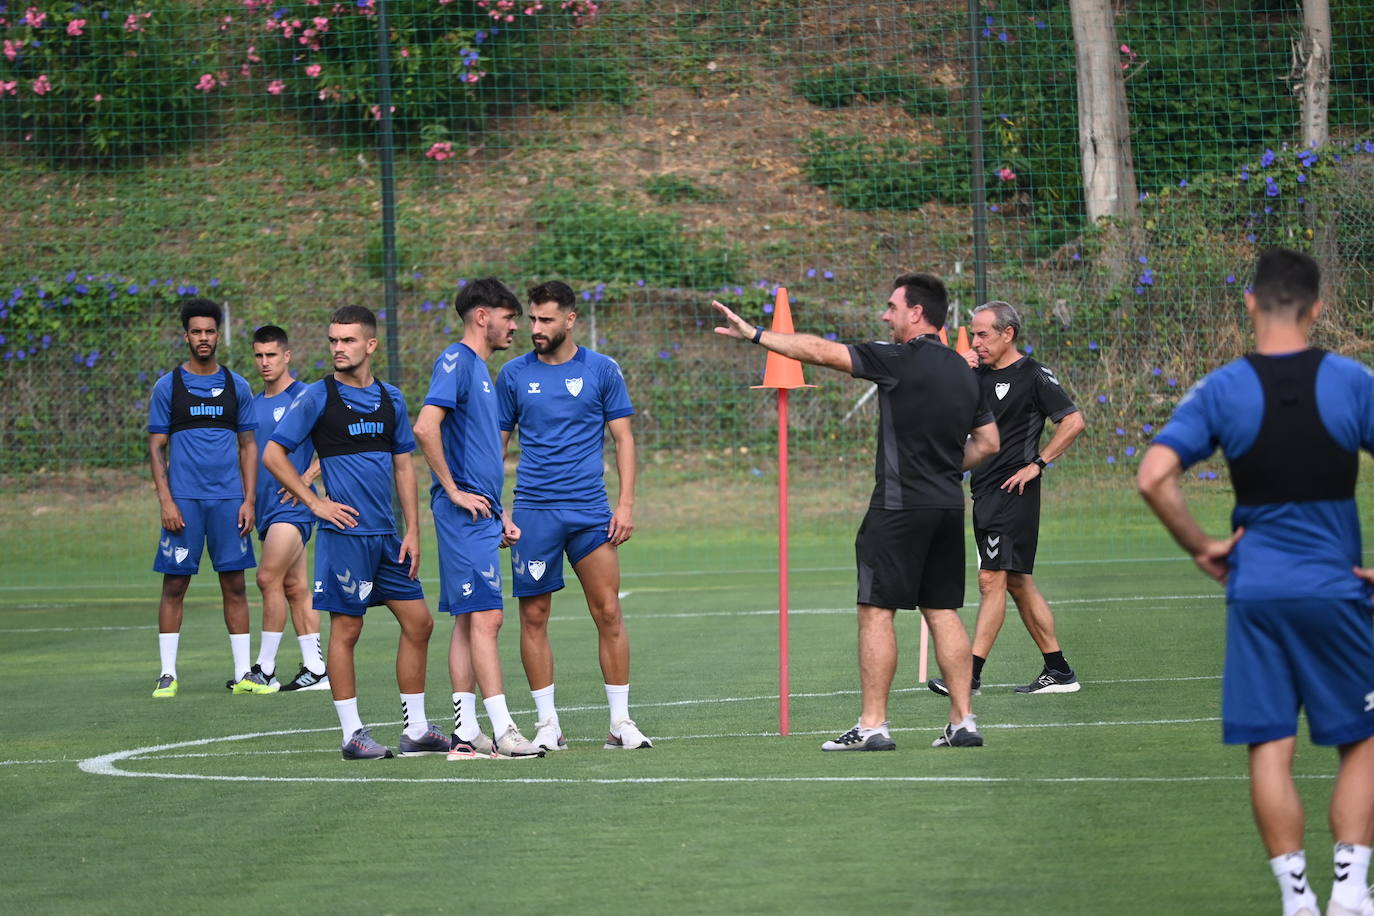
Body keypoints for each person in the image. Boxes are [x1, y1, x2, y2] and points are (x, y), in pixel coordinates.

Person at [1137, 248, 1374, 916]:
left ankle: (1296, 898)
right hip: (1337, 590)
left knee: (1271, 742)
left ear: (1250, 303)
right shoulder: (1353, 381)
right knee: (1364, 738)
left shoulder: (1221, 388)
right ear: (1317, 307)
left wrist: (1201, 546)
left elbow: (1153, 476)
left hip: (1256, 590)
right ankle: (1351, 890)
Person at [712, 273, 1000, 751]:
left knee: (876, 611)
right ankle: (963, 720)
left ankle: (872, 726)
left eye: (892, 307)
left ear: (916, 313)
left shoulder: (897, 359)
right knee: (943, 610)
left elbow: (822, 352)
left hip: (897, 507)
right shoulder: (963, 369)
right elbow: (989, 443)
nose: (885, 315)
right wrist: (948, 467)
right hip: (949, 505)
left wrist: (757, 334)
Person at [264, 305, 448, 760]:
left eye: (347, 340)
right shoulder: (317, 397)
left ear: (370, 345)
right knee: (347, 630)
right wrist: (315, 503)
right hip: (344, 537)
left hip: (388, 537)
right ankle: (352, 735)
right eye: (332, 341)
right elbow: (272, 453)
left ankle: (417, 729)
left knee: (419, 623)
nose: (338, 349)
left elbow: (404, 465)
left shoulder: (390, 398)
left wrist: (412, 532)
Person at [497, 280, 650, 752]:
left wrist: (624, 504)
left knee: (608, 612)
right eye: (532, 320)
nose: (535, 328)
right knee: (534, 616)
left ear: (570, 320)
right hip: (534, 513)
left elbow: (623, 438)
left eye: (545, 320)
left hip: (590, 512)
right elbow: (495, 444)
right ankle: (548, 724)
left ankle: (620, 723)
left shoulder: (602, 370)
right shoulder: (512, 375)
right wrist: (496, 504)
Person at [412, 278, 544, 760]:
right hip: (461, 515)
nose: (517, 326)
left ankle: (466, 733)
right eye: (510, 317)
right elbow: (425, 428)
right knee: (487, 616)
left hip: (482, 516)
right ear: (483, 316)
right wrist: (453, 492)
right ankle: (505, 728)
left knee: (470, 622)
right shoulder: (456, 360)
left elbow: (479, 454)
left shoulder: (482, 372)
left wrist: (499, 512)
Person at [927, 301, 1085, 699]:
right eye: (974, 334)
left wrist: (1038, 464)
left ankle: (968, 674)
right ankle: (1059, 669)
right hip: (983, 491)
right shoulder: (974, 374)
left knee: (990, 579)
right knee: (1017, 583)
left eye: (983, 334)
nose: (976, 341)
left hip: (1014, 492)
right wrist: (954, 371)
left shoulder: (1032, 375)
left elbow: (1073, 420)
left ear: (1007, 334)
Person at [147, 298, 260, 698]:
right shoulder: (169, 386)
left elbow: (249, 446)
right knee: (175, 584)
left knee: (235, 584)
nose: (203, 338)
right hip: (185, 502)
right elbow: (156, 447)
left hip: (229, 501)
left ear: (219, 335)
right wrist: (166, 500)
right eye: (196, 331)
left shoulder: (237, 386)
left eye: (210, 331)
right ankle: (167, 674)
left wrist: (248, 500)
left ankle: (245, 673)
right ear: (186, 336)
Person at [248, 325, 328, 693]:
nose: (265, 362)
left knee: (267, 579)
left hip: (292, 509)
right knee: (295, 587)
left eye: (271, 355)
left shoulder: (307, 396)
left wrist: (307, 478)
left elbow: (333, 444)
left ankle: (264, 669)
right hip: (265, 509)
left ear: (287, 356)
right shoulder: (253, 402)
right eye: (259, 356)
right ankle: (315, 669)